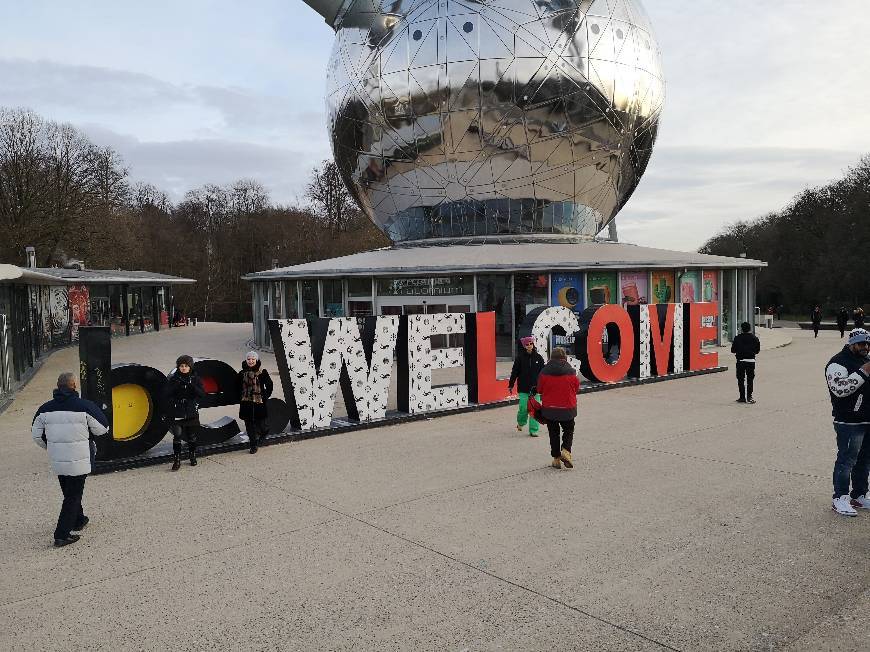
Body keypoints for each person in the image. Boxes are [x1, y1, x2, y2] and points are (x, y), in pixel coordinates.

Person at [31, 372, 109, 547]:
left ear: (58, 386)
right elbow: (102, 429)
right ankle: (62, 534)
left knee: (69, 492)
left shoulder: (44, 409)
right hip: (79, 458)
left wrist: (51, 446)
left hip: (58, 458)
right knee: (73, 495)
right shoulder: (85, 406)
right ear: (74, 386)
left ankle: (78, 520)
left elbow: (36, 436)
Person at [824, 328, 870, 517]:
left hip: (867, 420)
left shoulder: (865, 360)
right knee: (846, 460)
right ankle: (840, 498)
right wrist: (864, 371)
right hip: (849, 421)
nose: (866, 347)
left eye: (868, 344)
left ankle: (858, 495)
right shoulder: (837, 363)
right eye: (861, 344)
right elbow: (840, 389)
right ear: (851, 344)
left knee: (864, 461)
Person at [536, 347, 580, 469]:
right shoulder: (571, 372)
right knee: (568, 430)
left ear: (551, 357)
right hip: (568, 408)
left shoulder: (544, 372)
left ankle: (556, 459)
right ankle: (566, 451)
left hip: (550, 409)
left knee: (553, 433)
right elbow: (576, 388)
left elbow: (539, 389)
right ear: (564, 358)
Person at [163, 354, 206, 470]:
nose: (183, 368)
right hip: (178, 411)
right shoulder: (174, 379)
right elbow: (166, 394)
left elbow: (202, 394)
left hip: (191, 410)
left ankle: (192, 455)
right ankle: (177, 460)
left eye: (186, 366)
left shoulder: (195, 379)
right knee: (177, 435)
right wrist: (175, 389)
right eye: (181, 366)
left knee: (192, 436)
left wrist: (192, 386)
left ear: (190, 367)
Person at [508, 336, 545, 437]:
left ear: (533, 344)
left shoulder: (539, 358)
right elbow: (514, 372)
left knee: (535, 410)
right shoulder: (520, 358)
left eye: (530, 344)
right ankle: (521, 422)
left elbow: (543, 373)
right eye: (527, 344)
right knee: (523, 408)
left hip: (535, 389)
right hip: (523, 388)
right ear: (524, 346)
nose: (529, 346)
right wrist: (511, 384)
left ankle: (534, 430)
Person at [237, 351, 273, 454]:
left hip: (259, 403)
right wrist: (240, 397)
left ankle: (263, 435)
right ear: (246, 360)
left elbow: (269, 385)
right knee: (249, 426)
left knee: (263, 426)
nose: (251, 361)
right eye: (249, 359)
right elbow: (236, 387)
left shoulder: (262, 372)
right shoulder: (241, 373)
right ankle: (253, 445)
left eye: (253, 359)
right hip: (246, 403)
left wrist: (266, 396)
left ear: (256, 360)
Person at [731, 322, 761, 404]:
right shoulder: (755, 338)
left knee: (740, 379)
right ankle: (749, 397)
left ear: (741, 329)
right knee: (750, 379)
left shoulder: (737, 338)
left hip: (740, 361)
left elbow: (733, 350)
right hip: (751, 361)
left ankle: (742, 397)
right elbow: (757, 351)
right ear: (750, 329)